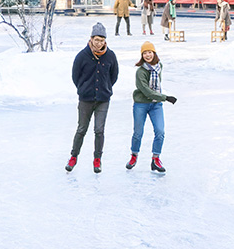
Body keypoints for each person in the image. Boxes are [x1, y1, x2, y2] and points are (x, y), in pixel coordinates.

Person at [66, 23, 119, 173]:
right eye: (96, 40)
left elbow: (114, 76)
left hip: (103, 100)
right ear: (91, 39)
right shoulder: (82, 56)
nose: (99, 43)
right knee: (82, 129)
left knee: (99, 130)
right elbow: (75, 76)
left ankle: (97, 159)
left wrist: (106, 87)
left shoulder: (110, 56)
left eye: (102, 40)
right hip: (86, 99)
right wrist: (83, 89)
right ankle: (73, 156)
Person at [127, 42, 177, 173]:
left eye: (149, 52)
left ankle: (156, 159)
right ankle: (134, 155)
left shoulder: (159, 66)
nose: (147, 55)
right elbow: (147, 91)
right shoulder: (140, 72)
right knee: (138, 133)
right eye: (144, 53)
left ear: (154, 53)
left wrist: (159, 98)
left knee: (160, 132)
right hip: (141, 104)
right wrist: (165, 97)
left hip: (156, 104)